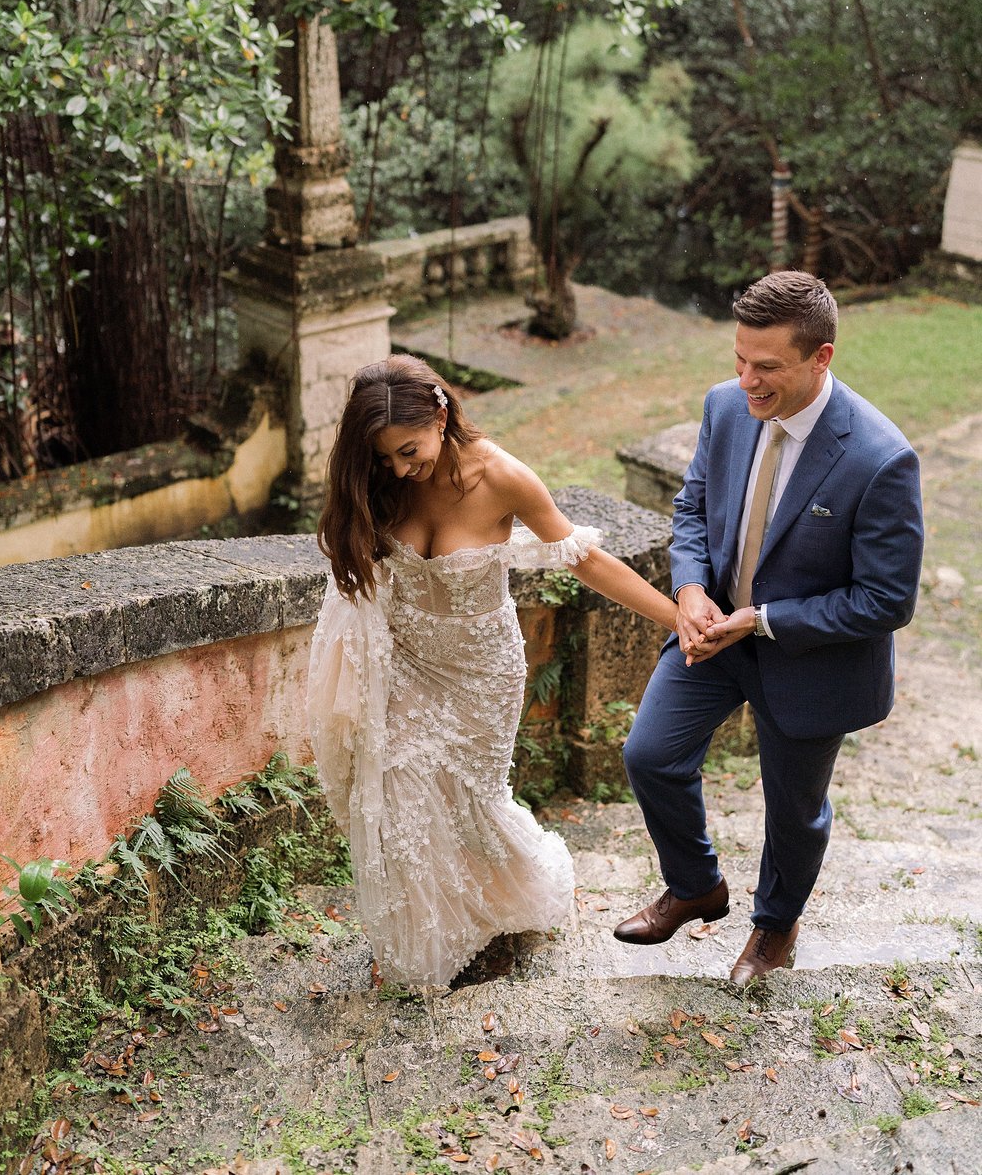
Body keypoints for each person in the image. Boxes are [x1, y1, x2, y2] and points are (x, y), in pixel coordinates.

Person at [308, 353, 679, 989]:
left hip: (482, 675)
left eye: (408, 449)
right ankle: (426, 943)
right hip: (406, 665)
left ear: (441, 412)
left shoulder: (504, 478)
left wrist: (676, 619)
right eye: (384, 457)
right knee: (398, 794)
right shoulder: (384, 481)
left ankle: (502, 904)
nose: (399, 467)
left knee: (472, 806)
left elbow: (582, 559)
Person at [616, 271, 924, 985]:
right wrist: (690, 588)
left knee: (792, 812)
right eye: (740, 359)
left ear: (821, 357)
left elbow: (886, 599)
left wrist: (764, 619)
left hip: (813, 656)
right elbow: (692, 507)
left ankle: (774, 925)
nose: (747, 380)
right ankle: (695, 885)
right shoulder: (725, 407)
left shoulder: (881, 458)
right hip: (714, 633)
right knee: (650, 754)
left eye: (767, 367)